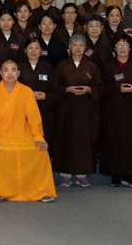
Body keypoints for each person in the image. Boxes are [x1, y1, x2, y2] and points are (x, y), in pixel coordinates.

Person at [0, 60, 57, 203]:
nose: (10, 73)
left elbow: (34, 117)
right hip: (0, 134)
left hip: (22, 133)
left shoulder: (26, 91)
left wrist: (38, 136)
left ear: (18, 73)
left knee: (39, 150)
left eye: (13, 70)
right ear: (0, 73)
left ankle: (41, 190)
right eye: (6, 70)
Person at [100, 32, 132, 187]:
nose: (122, 48)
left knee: (131, 142)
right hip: (114, 110)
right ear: (114, 48)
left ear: (130, 48)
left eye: (125, 45)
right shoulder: (108, 67)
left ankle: (129, 174)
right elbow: (102, 89)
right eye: (119, 45)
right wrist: (117, 88)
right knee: (114, 141)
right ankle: (115, 175)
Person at [54, 34, 102, 188]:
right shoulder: (61, 66)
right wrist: (66, 89)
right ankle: (66, 175)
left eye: (81, 45)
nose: (78, 48)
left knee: (84, 141)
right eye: (75, 45)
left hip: (85, 110)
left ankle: (82, 174)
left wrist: (89, 89)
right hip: (67, 110)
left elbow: (100, 87)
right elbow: (54, 88)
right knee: (66, 140)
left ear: (85, 48)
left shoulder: (92, 67)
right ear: (69, 47)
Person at [18, 38, 58, 156]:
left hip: (43, 111)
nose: (33, 51)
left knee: (43, 141)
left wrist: (45, 96)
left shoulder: (48, 68)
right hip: (22, 112)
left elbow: (56, 92)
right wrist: (27, 96)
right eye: (30, 48)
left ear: (41, 51)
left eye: (37, 48)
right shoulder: (18, 68)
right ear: (25, 50)